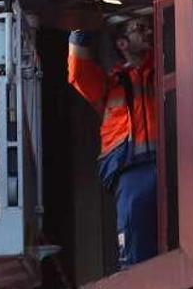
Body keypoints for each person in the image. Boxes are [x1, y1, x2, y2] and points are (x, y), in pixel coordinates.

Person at [67, 16, 157, 268]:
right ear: (122, 44)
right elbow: (78, 72)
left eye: (148, 27)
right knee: (135, 239)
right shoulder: (111, 84)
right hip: (130, 168)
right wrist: (80, 24)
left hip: (168, 163)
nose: (147, 31)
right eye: (139, 28)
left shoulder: (161, 71)